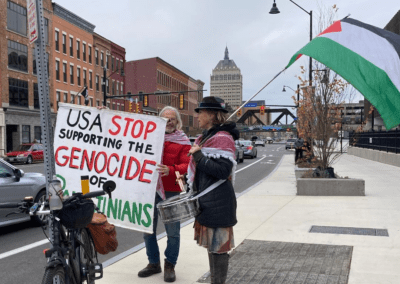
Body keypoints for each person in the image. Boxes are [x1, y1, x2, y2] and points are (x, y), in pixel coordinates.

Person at [179, 96, 239, 284]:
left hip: (218, 203)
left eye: (201, 112)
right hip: (208, 202)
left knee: (219, 249)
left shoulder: (223, 139)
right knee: (212, 248)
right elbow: (206, 171)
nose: (197, 116)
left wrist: (198, 157)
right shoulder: (206, 137)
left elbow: (223, 171)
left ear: (212, 115)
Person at [138, 106, 191, 282]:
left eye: (172, 119)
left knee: (173, 231)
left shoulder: (183, 141)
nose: (169, 122)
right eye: (165, 118)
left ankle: (170, 264)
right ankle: (154, 263)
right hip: (149, 188)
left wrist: (172, 169)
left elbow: (187, 166)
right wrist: (104, 112)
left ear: (177, 122)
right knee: (147, 229)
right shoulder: (149, 137)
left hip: (172, 190)